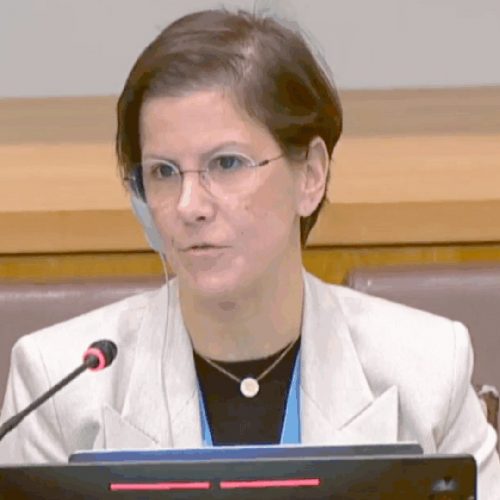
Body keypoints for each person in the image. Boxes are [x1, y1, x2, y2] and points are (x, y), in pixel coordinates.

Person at [0, 8, 499, 497]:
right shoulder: (59, 384)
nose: (189, 206)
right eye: (164, 172)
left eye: (227, 164)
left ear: (311, 174)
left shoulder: (428, 368)